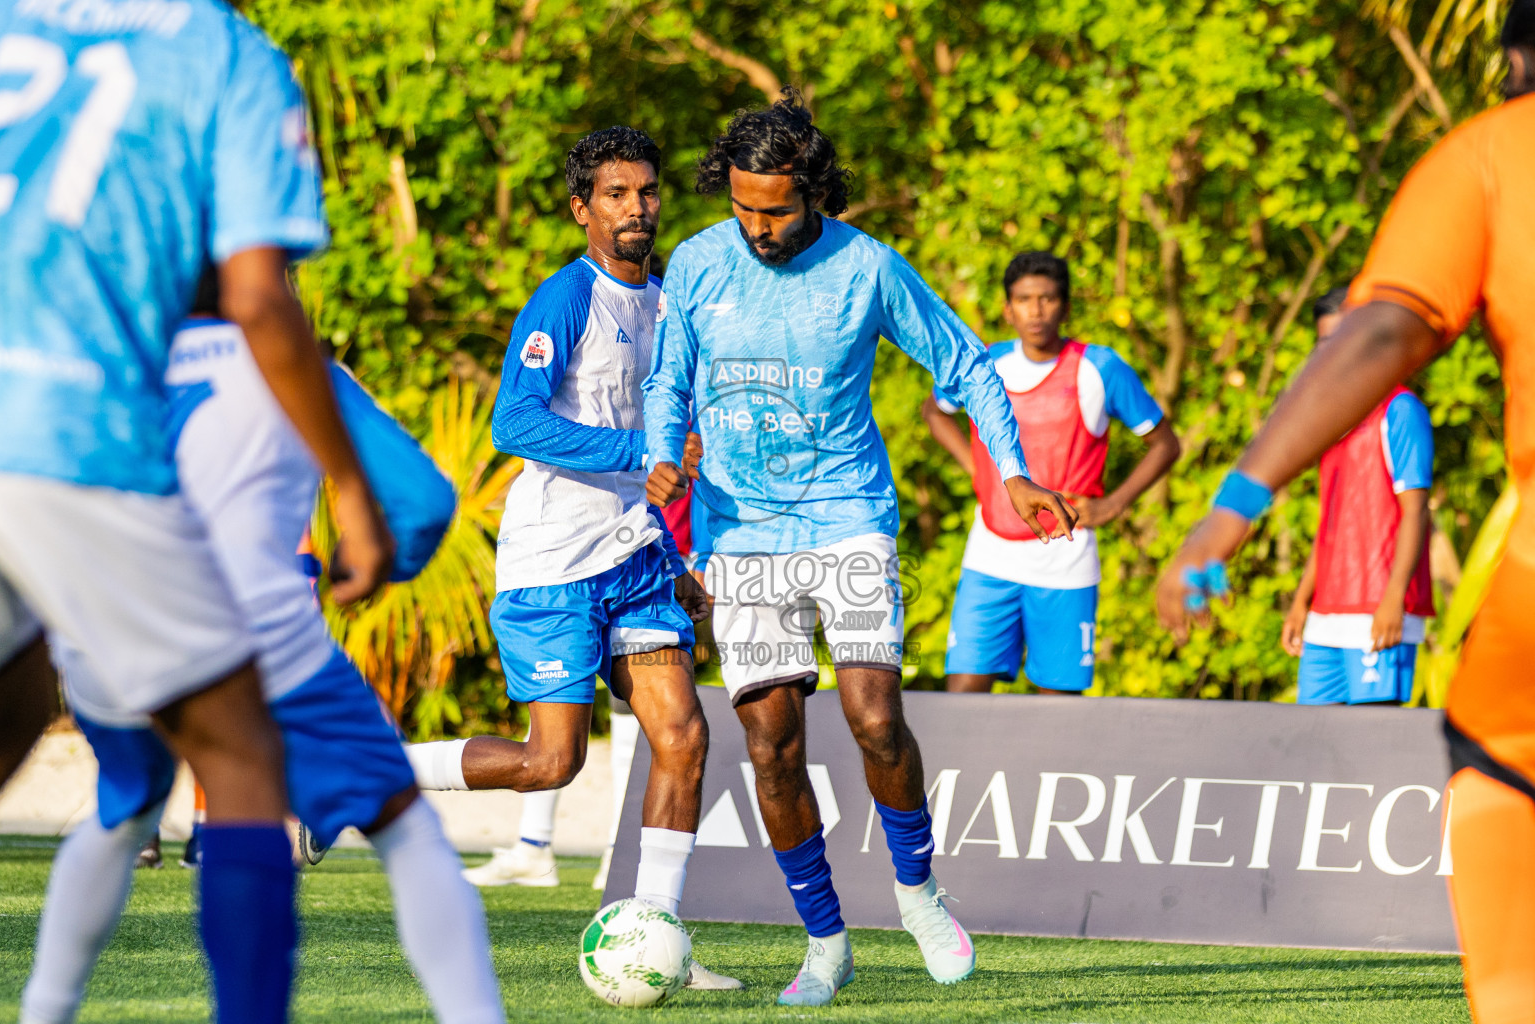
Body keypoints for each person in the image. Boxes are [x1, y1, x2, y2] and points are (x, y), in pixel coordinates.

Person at [0, 4, 392, 1021]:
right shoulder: (221, 52)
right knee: (241, 752)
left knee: (17, 726)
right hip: (66, 433)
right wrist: (350, 485)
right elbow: (262, 297)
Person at [644, 89, 1076, 1006]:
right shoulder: (695, 264)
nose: (759, 227)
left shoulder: (868, 268)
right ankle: (825, 941)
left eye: (777, 209)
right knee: (770, 748)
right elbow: (666, 381)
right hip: (742, 533)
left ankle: (919, 895)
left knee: (876, 718)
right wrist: (658, 462)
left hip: (847, 516)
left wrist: (1014, 473)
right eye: (743, 207)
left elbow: (966, 366)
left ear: (815, 192)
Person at [1157, 5, 1535, 1019]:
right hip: (1338, 600)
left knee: (1501, 775)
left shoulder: (1494, 154)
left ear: (1513, 53)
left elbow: (1387, 336)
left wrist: (1228, 509)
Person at [21, 285, 505, 1024]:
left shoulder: (100, 360)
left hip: (106, 640)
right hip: (256, 640)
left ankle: (42, 1010)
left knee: (125, 811)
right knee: (405, 831)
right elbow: (426, 505)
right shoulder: (294, 367)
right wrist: (372, 565)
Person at [405, 127, 738, 991]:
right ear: (582, 207)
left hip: (637, 559)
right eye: (617, 195)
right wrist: (637, 449)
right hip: (553, 562)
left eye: (648, 192)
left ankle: (657, 936)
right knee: (552, 763)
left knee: (683, 737)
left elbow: (689, 453)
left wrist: (688, 552)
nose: (637, 208)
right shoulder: (564, 299)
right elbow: (513, 423)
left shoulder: (672, 305)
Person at [923, 251, 1179, 695]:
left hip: (1066, 559)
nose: (1035, 310)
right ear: (1008, 308)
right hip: (990, 555)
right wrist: (976, 469)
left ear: (1065, 306)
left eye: (1047, 299)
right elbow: (935, 411)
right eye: (1024, 299)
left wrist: (1115, 504)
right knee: (962, 696)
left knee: (1057, 709)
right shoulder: (984, 363)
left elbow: (1166, 445)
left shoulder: (1100, 368)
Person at [1279, 286, 1435, 706]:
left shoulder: (1401, 411)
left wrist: (1393, 601)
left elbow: (1415, 511)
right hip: (1326, 613)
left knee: (1371, 748)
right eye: (1323, 344)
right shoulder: (1332, 417)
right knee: (1314, 738)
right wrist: (1302, 600)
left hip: (1377, 608)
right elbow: (1331, 523)